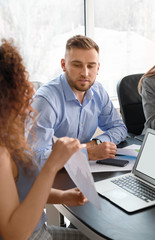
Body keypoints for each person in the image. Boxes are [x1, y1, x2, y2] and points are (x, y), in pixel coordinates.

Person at [0, 39, 89, 239]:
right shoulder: (1, 154)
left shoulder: (9, 134)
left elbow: (24, 194)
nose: (31, 91)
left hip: (42, 231)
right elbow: (14, 234)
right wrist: (51, 165)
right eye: (22, 84)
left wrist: (63, 196)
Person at [28, 35, 127, 167]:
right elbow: (34, 158)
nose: (85, 73)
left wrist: (95, 144)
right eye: (77, 65)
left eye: (91, 66)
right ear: (63, 65)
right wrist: (87, 154)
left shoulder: (98, 91)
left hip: (82, 170)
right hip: (52, 175)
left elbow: (119, 128)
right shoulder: (46, 101)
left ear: (97, 68)